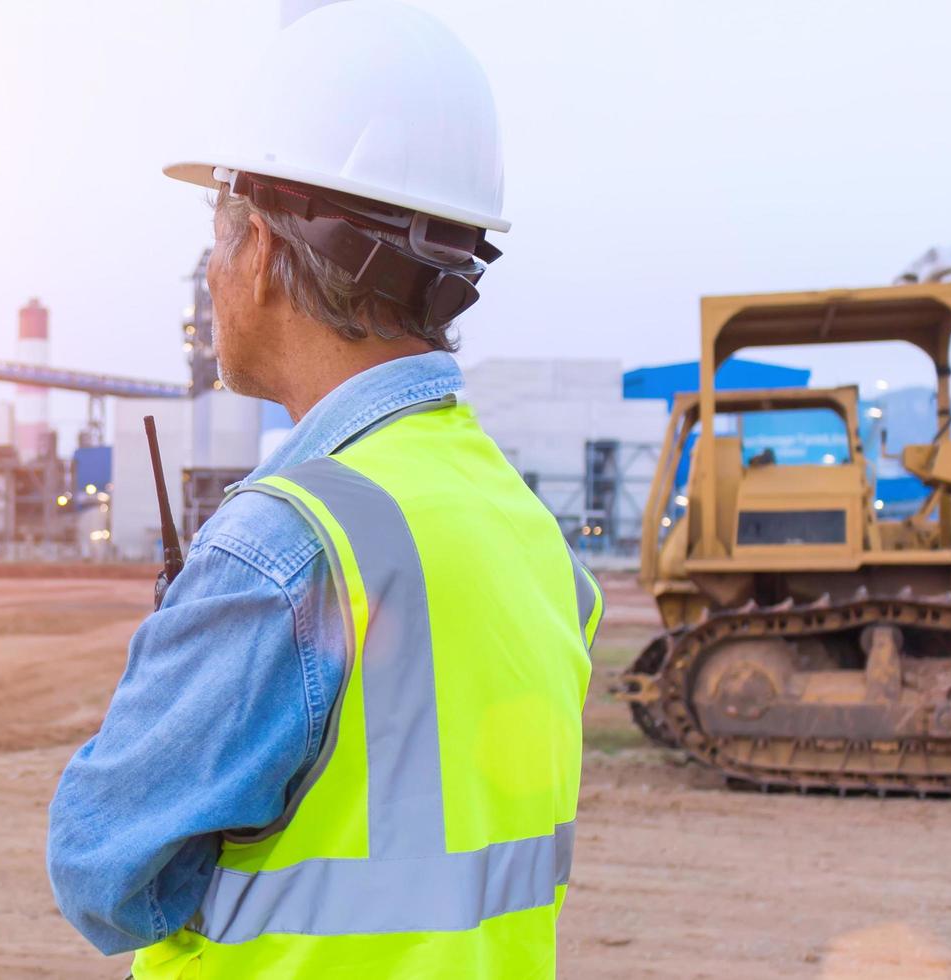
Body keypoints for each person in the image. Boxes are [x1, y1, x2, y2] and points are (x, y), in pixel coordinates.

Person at [46, 2, 602, 976]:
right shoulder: (525, 528)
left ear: (257, 248)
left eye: (213, 241)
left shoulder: (281, 549)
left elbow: (102, 870)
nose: (211, 274)